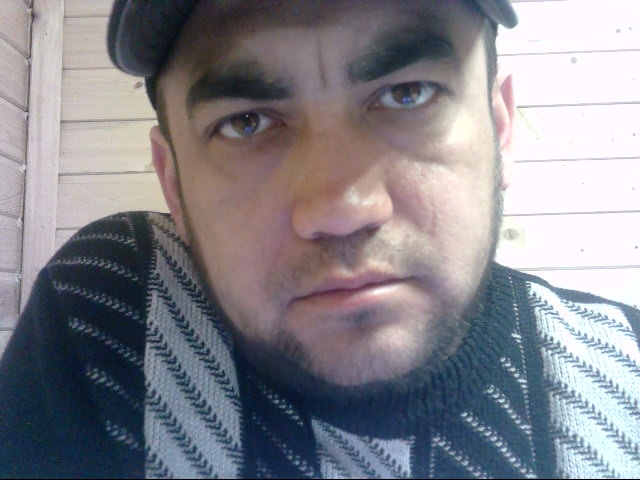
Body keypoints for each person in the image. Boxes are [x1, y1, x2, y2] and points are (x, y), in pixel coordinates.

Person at [1, 0, 639, 477]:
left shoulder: (625, 374)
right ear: (174, 184)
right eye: (246, 122)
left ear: (499, 129)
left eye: (407, 93)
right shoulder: (119, 317)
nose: (341, 210)